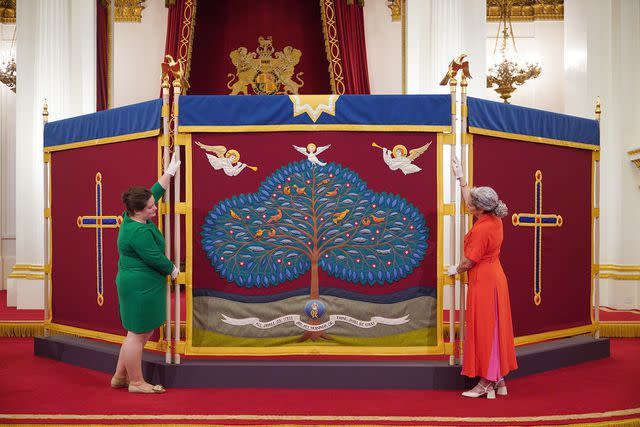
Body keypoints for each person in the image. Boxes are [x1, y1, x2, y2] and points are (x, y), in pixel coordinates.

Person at [111, 153, 181, 394]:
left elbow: (154, 193)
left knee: (137, 333)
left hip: (141, 284)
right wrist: (172, 269)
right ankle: (137, 382)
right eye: (151, 207)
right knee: (137, 336)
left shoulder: (132, 216)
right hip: (139, 286)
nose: (155, 208)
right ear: (138, 210)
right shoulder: (138, 233)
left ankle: (120, 377)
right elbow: (154, 257)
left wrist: (168, 174)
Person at [449, 155, 518, 399]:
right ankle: (499, 378)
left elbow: (469, 261)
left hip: (485, 281)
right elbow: (470, 200)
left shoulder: (483, 228)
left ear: (479, 209)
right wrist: (461, 178)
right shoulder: (493, 217)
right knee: (495, 327)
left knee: (486, 329)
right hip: (495, 277)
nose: (467, 206)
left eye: (471, 206)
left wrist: (454, 270)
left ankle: (486, 382)